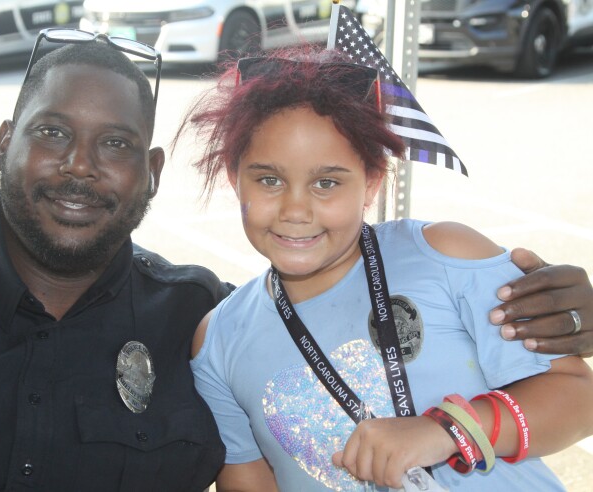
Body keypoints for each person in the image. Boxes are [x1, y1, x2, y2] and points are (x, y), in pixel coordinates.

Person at [0, 30, 590, 491]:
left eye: (115, 145)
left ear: (153, 173)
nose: (80, 166)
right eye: (51, 133)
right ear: (5, 142)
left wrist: (568, 311)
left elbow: (570, 384)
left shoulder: (191, 320)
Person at [182, 47, 593, 491]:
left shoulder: (447, 254)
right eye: (269, 180)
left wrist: (447, 431)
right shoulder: (218, 342)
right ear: (232, 176)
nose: (295, 210)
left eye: (327, 183)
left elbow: (578, 395)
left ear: (372, 182)